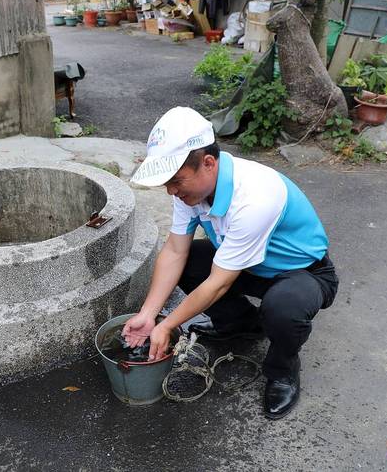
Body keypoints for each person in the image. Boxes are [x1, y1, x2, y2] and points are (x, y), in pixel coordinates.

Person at [123, 107, 338, 419]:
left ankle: (283, 369)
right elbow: (174, 251)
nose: (171, 191)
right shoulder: (189, 191)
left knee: (283, 308)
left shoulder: (254, 197)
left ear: (208, 163)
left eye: (176, 180)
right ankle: (242, 326)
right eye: (167, 182)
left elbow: (219, 282)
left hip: (304, 272)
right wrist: (148, 314)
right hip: (250, 265)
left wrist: (168, 324)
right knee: (192, 260)